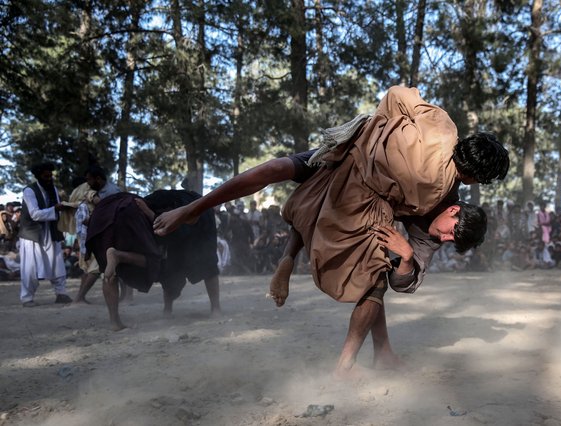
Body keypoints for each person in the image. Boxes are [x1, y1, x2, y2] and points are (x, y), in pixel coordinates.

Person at [153, 86, 508, 375]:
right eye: (448, 233)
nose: (444, 238)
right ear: (460, 200)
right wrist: (375, 130)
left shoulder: (440, 136)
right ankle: (193, 209)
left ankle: (369, 351)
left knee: (372, 265)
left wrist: (405, 257)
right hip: (348, 153)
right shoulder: (441, 183)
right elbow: (398, 99)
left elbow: (409, 280)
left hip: (357, 193)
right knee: (287, 179)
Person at [86, 190, 220, 330]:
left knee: (112, 271)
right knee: (161, 263)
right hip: (141, 210)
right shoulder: (181, 209)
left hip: (102, 215)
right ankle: (215, 309)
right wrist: (151, 214)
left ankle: (116, 321)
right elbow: (164, 222)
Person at [18, 162, 73, 307]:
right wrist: (55, 209)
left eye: (51, 175)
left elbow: (56, 209)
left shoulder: (53, 189)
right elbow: (35, 214)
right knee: (30, 268)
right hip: (32, 233)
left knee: (57, 263)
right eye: (46, 176)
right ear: (38, 176)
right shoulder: (29, 191)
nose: (49, 178)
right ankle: (27, 298)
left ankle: (61, 293)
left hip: (51, 231)